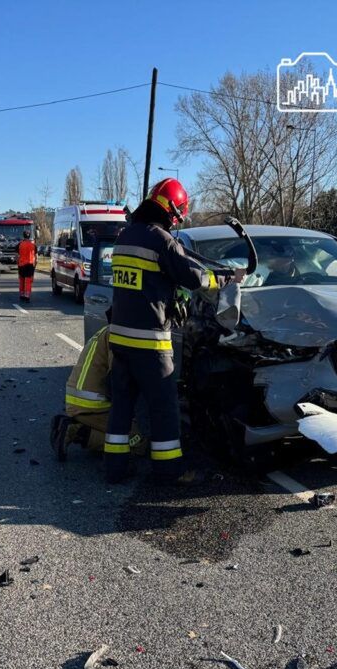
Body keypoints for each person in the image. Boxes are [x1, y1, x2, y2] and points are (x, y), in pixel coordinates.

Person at [103, 178, 218, 484]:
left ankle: (114, 468)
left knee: (122, 406)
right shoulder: (162, 241)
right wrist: (219, 280)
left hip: (120, 340)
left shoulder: (124, 236)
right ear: (172, 209)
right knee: (164, 406)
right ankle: (169, 471)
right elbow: (192, 277)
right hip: (150, 343)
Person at [50, 323, 144, 460]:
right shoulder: (119, 336)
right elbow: (117, 380)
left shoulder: (107, 330)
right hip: (92, 405)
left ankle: (80, 426)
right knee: (137, 441)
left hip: (79, 400)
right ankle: (78, 433)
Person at [17, 230, 36, 302]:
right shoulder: (33, 245)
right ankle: (27, 295)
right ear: (29, 236)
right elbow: (36, 256)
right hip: (30, 264)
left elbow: (16, 256)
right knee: (28, 280)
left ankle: (21, 294)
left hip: (21, 264)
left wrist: (18, 263)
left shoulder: (20, 244)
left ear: (23, 236)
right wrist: (34, 265)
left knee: (21, 279)